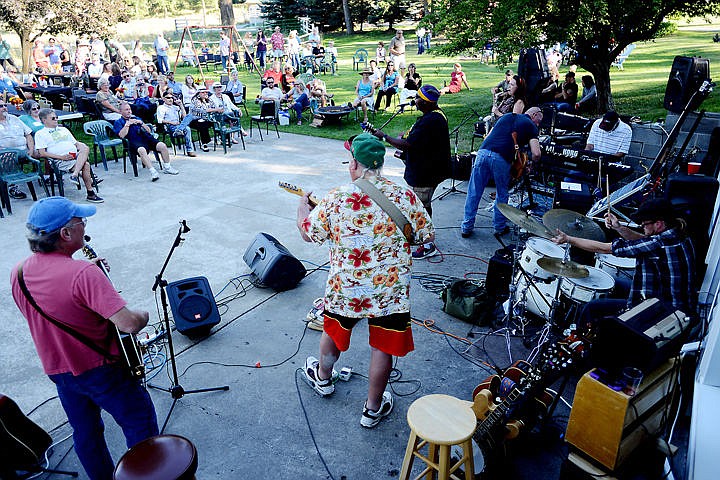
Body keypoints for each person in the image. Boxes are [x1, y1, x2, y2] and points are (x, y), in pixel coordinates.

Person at [10, 196, 159, 479]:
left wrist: (81, 273)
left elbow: (52, 307)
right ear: (65, 233)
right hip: (102, 371)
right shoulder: (84, 274)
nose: (84, 226)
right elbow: (128, 324)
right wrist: (144, 315)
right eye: (80, 222)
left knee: (86, 433)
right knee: (139, 423)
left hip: (60, 373)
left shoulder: (17, 273)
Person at [296, 133, 434, 428]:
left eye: (350, 160)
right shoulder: (405, 195)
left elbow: (310, 233)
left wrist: (302, 210)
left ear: (355, 164)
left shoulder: (336, 197)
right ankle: (372, 409)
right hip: (390, 291)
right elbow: (426, 236)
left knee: (333, 331)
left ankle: (323, 379)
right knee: (382, 346)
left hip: (347, 289)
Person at [552, 198, 697, 325]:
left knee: (593, 308)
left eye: (644, 223)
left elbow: (604, 249)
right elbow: (644, 240)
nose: (641, 226)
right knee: (615, 284)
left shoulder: (659, 244)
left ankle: (582, 345)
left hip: (662, 312)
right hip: (675, 301)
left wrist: (568, 239)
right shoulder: (679, 234)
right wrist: (619, 228)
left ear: (658, 224)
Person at [372, 85, 451, 259]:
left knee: (422, 208)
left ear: (426, 103)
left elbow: (408, 145)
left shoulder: (430, 121)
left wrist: (384, 136)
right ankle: (423, 235)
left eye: (417, 99)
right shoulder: (436, 115)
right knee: (422, 206)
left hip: (426, 174)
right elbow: (421, 141)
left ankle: (427, 244)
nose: (414, 101)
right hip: (431, 170)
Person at [461, 107, 543, 237]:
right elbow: (536, 153)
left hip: (482, 153)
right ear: (534, 115)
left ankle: (466, 227)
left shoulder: (505, 117)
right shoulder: (531, 126)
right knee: (502, 193)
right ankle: (499, 227)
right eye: (539, 121)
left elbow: (488, 136)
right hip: (502, 158)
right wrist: (531, 163)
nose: (538, 125)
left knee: (474, 191)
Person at [34, 108, 103, 203]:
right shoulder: (40, 134)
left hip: (74, 157)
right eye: (53, 118)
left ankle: (75, 174)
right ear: (44, 120)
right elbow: (42, 153)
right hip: (59, 160)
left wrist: (81, 146)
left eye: (56, 117)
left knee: (85, 148)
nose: (56, 120)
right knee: (86, 165)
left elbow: (75, 143)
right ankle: (90, 193)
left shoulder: (63, 129)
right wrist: (62, 157)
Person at [113, 102, 178, 181]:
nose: (129, 111)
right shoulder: (118, 122)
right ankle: (153, 172)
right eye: (126, 110)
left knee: (162, 146)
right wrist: (127, 125)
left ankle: (167, 167)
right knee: (142, 150)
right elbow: (121, 135)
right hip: (133, 141)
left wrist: (142, 123)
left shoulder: (136, 118)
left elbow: (149, 131)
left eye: (129, 109)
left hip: (146, 138)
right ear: (121, 112)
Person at [0, 100, 36, 200]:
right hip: (5, 154)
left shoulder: (14, 118)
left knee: (44, 151)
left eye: (5, 105)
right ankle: (12, 187)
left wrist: (31, 149)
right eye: (0, 106)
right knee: (8, 156)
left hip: (25, 151)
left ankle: (49, 176)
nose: (4, 108)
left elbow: (28, 134)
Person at [156, 93, 197, 157]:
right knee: (187, 129)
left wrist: (181, 105)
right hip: (170, 126)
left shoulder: (176, 107)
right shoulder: (161, 108)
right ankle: (190, 150)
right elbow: (160, 120)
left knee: (190, 116)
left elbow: (184, 117)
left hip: (179, 125)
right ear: (163, 99)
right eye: (168, 98)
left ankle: (179, 130)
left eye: (172, 98)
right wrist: (172, 123)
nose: (170, 99)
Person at [188, 87, 219, 151]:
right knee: (202, 124)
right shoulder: (195, 100)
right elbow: (202, 110)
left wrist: (215, 110)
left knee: (217, 121)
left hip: (206, 118)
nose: (205, 93)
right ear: (198, 93)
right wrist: (215, 109)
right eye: (203, 92)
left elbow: (214, 107)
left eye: (206, 92)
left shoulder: (209, 99)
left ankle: (221, 138)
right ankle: (204, 143)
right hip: (194, 119)